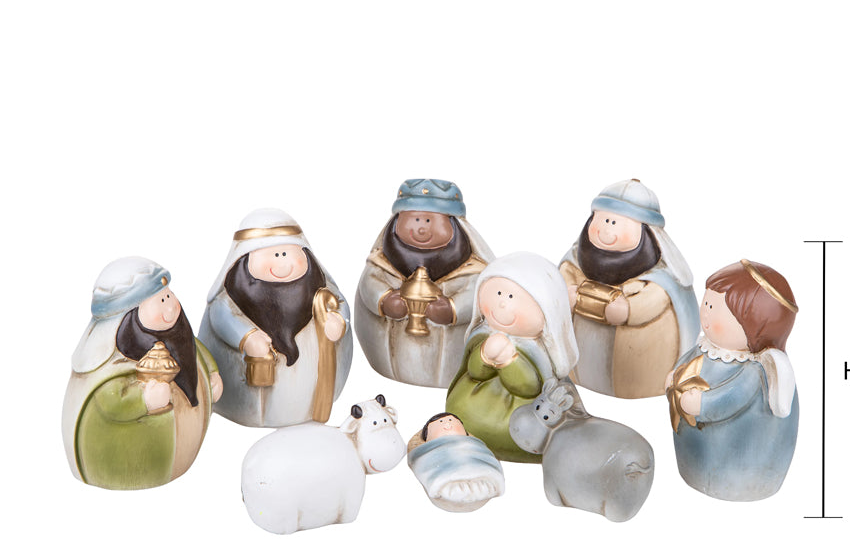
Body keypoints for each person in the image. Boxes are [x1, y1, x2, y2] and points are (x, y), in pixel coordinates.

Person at [62, 257, 221, 489]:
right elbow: (110, 400)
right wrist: (144, 400)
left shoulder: (180, 339)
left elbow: (199, 352)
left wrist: (212, 374)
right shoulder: (110, 363)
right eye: (161, 300)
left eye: (169, 296)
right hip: (125, 461)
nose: (170, 307)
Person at [198, 208, 351, 427]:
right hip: (244, 404)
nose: (281, 261)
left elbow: (339, 302)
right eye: (272, 254)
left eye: (286, 253)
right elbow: (222, 318)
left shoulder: (318, 288)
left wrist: (338, 321)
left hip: (314, 396)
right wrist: (247, 337)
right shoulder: (231, 297)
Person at [665, 259, 799, 501]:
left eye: (714, 308)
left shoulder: (754, 371)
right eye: (706, 303)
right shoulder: (706, 347)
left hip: (736, 468)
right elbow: (686, 362)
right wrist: (674, 376)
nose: (705, 313)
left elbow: (729, 400)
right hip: (697, 455)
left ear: (753, 326)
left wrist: (702, 405)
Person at [559, 178, 699, 398]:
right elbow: (566, 273)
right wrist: (565, 290)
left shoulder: (659, 279)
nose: (606, 229)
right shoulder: (578, 260)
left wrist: (630, 310)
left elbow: (654, 299)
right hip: (579, 370)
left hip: (638, 379)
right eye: (603, 220)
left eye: (614, 222)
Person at [355, 178, 493, 387]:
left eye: (428, 221)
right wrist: (384, 300)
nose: (421, 229)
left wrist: (453, 309)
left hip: (449, 364)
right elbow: (370, 283)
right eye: (416, 219)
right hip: (391, 362)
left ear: (453, 225)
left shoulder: (472, 269)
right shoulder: (382, 263)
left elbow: (477, 293)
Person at [445, 252, 579, 463]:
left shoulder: (538, 350)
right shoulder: (482, 335)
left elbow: (528, 386)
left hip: (523, 415)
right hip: (473, 404)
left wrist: (509, 361)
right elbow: (474, 371)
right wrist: (484, 355)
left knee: (533, 431)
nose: (502, 304)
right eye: (498, 293)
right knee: (459, 411)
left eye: (511, 297)